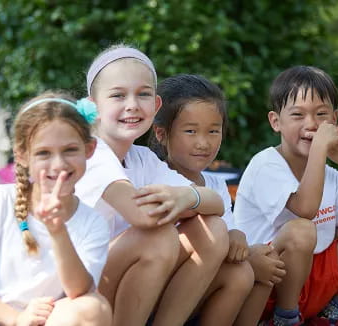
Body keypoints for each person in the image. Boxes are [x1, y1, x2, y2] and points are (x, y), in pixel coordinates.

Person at [75, 45, 229, 326]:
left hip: (116, 281)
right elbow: (142, 216)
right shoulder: (90, 154)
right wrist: (183, 203)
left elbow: (215, 202)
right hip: (76, 291)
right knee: (157, 237)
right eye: (118, 95)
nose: (132, 104)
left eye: (143, 94)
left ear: (156, 106)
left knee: (213, 229)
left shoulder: (143, 158)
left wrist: (186, 196)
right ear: (92, 106)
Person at [233, 65, 338, 326]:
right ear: (276, 121)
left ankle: (331, 313)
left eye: (321, 115)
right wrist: (321, 147)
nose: (311, 124)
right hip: (267, 282)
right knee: (301, 229)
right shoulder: (266, 164)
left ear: (334, 119)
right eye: (298, 115)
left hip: (312, 280)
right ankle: (285, 319)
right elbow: (306, 208)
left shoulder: (329, 175)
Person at [0, 92, 112, 326]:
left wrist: (57, 231)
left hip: (41, 321)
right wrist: (15, 319)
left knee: (94, 307)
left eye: (70, 150)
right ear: (22, 156)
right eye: (44, 153)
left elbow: (78, 291)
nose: (58, 164)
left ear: (90, 149)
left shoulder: (92, 222)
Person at [150, 74, 285, 326]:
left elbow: (231, 235)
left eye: (213, 131)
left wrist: (239, 239)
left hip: (198, 293)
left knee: (246, 271)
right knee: (244, 266)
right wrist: (242, 251)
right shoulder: (154, 178)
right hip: (156, 293)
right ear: (161, 133)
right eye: (190, 131)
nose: (203, 143)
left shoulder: (216, 184)